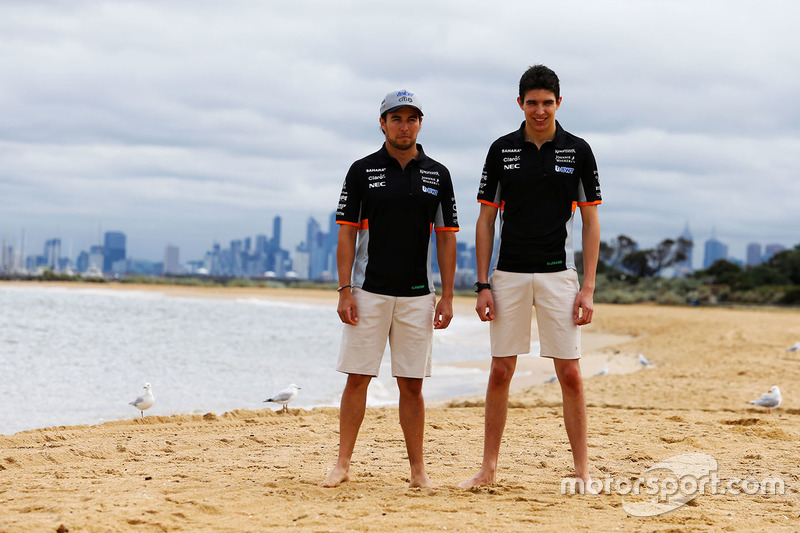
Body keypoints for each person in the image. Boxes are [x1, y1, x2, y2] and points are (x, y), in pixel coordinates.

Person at [459, 65, 601, 492]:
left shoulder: (578, 151)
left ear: (559, 103)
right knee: (501, 370)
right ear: (520, 103)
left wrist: (589, 288)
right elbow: (485, 222)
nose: (540, 111)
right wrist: (483, 284)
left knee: (571, 374)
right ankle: (488, 469)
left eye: (547, 102)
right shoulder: (502, 150)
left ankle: (582, 472)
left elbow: (592, 223)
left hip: (560, 275)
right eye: (532, 102)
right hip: (509, 274)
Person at [321, 89, 459, 488]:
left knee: (412, 385)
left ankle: (418, 472)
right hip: (368, 291)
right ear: (382, 123)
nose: (404, 125)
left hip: (418, 293)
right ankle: (343, 463)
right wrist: (345, 289)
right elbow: (346, 235)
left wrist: (447, 296)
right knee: (357, 377)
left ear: (420, 123)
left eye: (411, 118)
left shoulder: (438, 174)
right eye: (396, 118)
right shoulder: (362, 170)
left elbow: (447, 238)